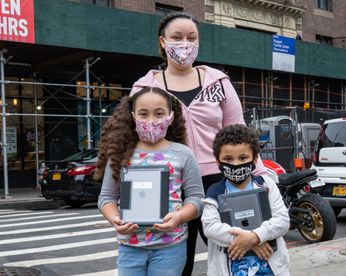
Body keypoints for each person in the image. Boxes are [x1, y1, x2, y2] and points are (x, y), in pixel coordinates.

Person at [129, 12, 268, 275]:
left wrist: (259, 175)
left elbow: (238, 132)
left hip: (221, 180)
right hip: (169, 183)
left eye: (192, 38)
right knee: (176, 263)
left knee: (238, 255)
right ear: (163, 41)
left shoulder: (218, 81)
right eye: (177, 37)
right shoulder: (145, 86)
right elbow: (135, 139)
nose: (185, 44)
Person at [95, 86, 205, 276]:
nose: (151, 121)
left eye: (159, 113)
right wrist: (115, 219)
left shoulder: (183, 154)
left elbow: (196, 199)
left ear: (170, 116)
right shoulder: (118, 154)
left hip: (171, 246)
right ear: (133, 116)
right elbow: (106, 198)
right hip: (129, 247)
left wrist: (179, 217)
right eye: (143, 114)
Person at [201, 124, 290, 276]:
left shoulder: (267, 185)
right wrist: (248, 241)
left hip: (271, 268)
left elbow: (282, 220)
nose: (236, 164)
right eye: (228, 158)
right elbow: (210, 227)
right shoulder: (214, 193)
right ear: (218, 161)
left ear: (255, 158)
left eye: (243, 157)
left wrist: (254, 237)